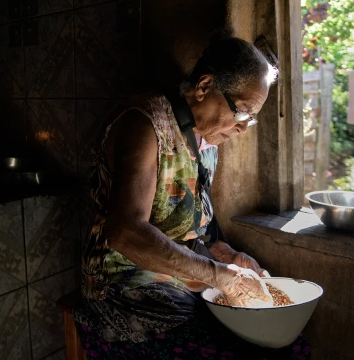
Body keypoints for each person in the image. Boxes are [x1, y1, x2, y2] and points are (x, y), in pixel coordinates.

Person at [74, 32, 310, 358]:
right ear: (204, 87)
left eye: (250, 120)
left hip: (180, 280)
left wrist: (227, 255)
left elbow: (197, 214)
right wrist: (217, 275)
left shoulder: (208, 139)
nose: (242, 128)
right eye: (241, 112)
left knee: (285, 342)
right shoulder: (144, 125)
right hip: (123, 287)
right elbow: (125, 232)